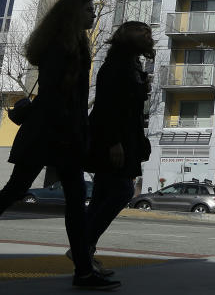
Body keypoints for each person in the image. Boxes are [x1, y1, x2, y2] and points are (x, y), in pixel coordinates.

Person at [0, 0, 120, 291]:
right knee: (46, 199)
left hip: (49, 133)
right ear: (73, 14)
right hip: (55, 134)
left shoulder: (66, 45)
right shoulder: (64, 48)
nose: (93, 15)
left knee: (45, 198)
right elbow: (59, 98)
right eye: (88, 10)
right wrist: (75, 135)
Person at [80, 21, 154, 275]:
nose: (149, 37)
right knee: (121, 191)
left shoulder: (133, 65)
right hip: (114, 139)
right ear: (129, 38)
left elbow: (130, 106)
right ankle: (82, 248)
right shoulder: (117, 65)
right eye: (143, 33)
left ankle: (85, 253)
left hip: (126, 137)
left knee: (102, 195)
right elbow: (108, 106)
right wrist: (114, 142)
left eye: (149, 34)